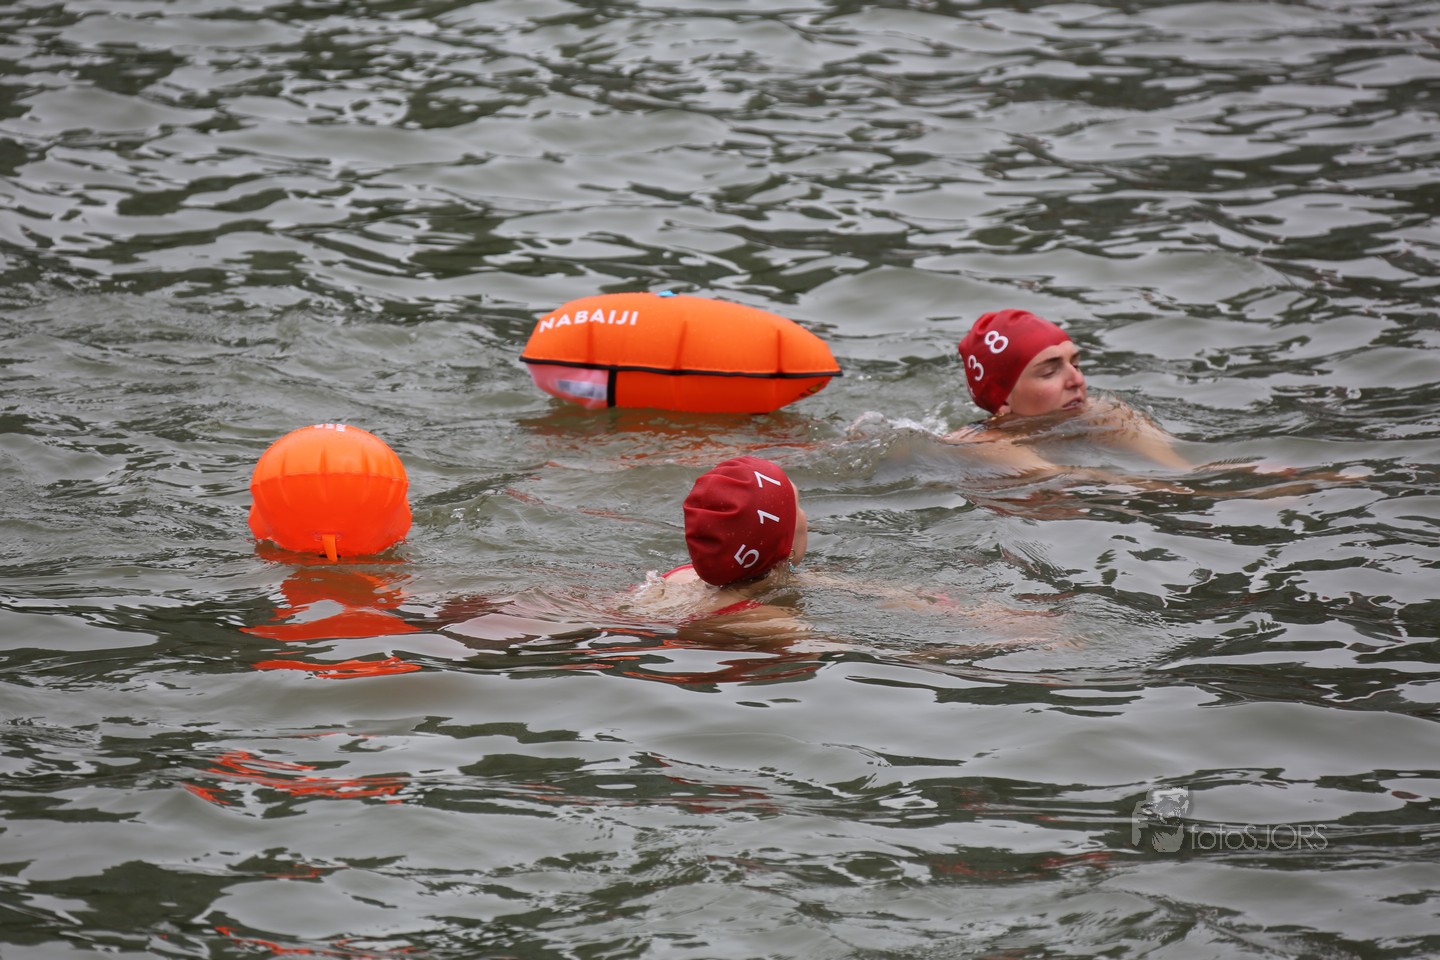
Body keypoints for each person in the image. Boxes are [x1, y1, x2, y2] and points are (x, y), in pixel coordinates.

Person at [945, 309, 1191, 475]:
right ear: (1004, 400)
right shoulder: (983, 446)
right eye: (1049, 372)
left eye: (1075, 364)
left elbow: (1184, 469)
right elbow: (1091, 483)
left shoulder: (1106, 414)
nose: (1076, 380)